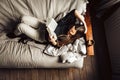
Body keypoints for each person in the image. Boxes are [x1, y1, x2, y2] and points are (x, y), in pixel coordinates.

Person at [14, 9, 87, 47]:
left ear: (75, 35)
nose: (71, 29)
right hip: (43, 25)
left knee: (20, 26)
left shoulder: (69, 40)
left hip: (41, 36)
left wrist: (52, 41)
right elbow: (74, 11)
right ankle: (20, 32)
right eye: (73, 28)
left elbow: (58, 45)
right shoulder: (70, 23)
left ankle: (15, 34)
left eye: (72, 31)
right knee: (23, 18)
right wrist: (84, 23)